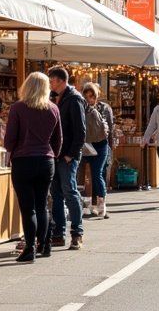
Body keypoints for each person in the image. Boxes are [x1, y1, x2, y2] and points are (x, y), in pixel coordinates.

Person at [3, 72, 61, 262]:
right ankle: (44, 244)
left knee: (28, 208)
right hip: (46, 160)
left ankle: (30, 248)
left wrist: (12, 148)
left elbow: (10, 139)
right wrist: (53, 154)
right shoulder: (53, 109)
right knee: (42, 205)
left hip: (23, 160)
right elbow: (57, 139)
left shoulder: (18, 108)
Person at [47, 66, 86, 250]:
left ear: (60, 81)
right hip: (55, 153)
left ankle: (77, 232)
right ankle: (58, 233)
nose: (49, 84)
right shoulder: (54, 98)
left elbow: (80, 131)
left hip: (68, 155)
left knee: (69, 191)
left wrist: (71, 154)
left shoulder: (74, 99)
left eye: (52, 81)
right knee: (56, 194)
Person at [81, 82, 114, 219]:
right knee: (85, 176)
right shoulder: (80, 107)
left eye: (92, 96)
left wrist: (110, 149)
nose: (90, 99)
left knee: (97, 174)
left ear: (96, 95)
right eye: (86, 96)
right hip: (85, 144)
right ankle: (89, 205)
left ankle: (101, 205)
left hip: (101, 145)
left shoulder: (104, 108)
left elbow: (110, 129)